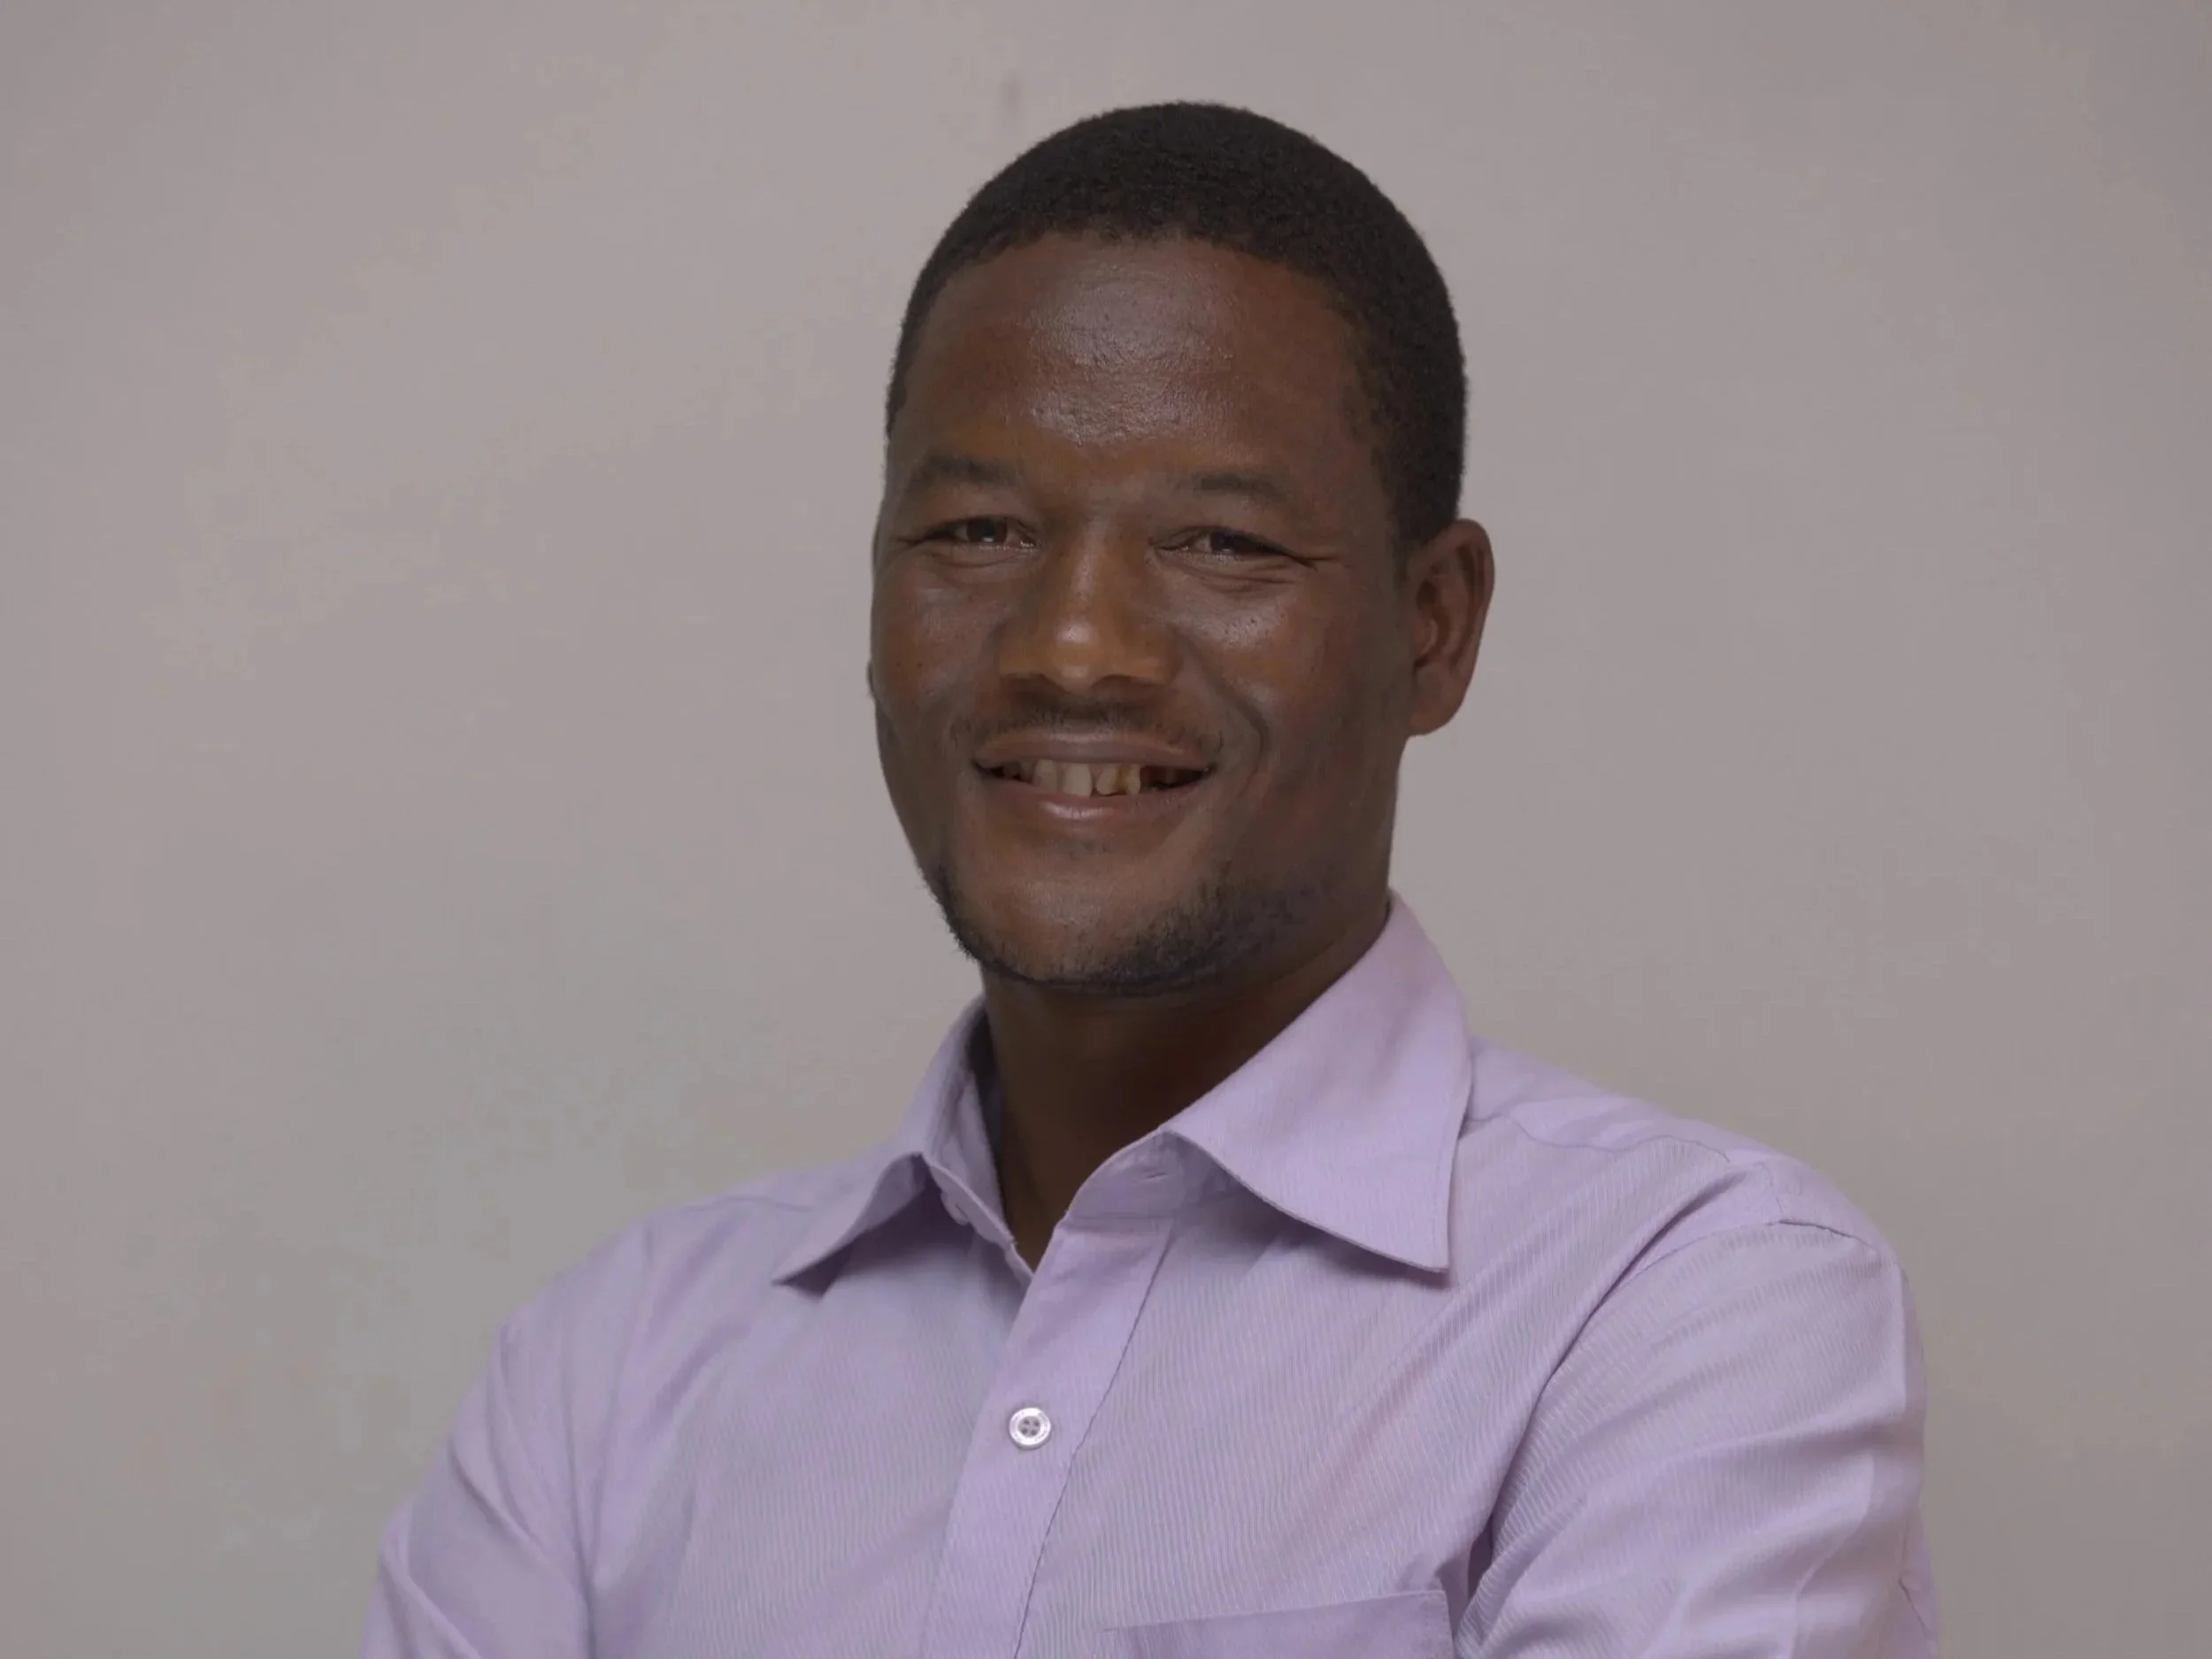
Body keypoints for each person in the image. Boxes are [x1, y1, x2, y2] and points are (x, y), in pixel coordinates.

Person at [363, 103, 1936, 1658]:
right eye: (979, 529)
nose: (1072, 646)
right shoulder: (607, 1377)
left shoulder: (1682, 1305)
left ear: (1434, 626)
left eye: (1222, 544)